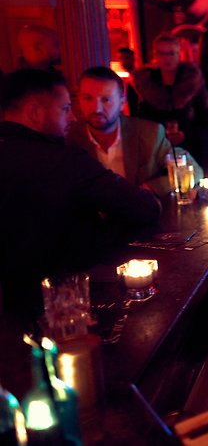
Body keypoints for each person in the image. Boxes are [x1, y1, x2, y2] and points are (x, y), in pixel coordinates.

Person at [0, 69, 161, 317]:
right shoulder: (62, 160)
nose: (73, 117)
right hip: (64, 304)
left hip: (9, 308)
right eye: (65, 109)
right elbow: (145, 209)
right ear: (35, 112)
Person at [67, 66, 203, 197]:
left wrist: (149, 188)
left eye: (106, 100)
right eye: (88, 98)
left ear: (122, 102)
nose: (96, 108)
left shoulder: (148, 133)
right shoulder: (69, 138)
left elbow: (193, 171)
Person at [131, 33, 208, 157]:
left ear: (179, 54)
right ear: (155, 55)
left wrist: (186, 135)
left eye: (171, 53)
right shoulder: (145, 84)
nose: (166, 58)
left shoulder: (192, 82)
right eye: (161, 53)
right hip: (156, 151)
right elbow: (139, 123)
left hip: (191, 150)